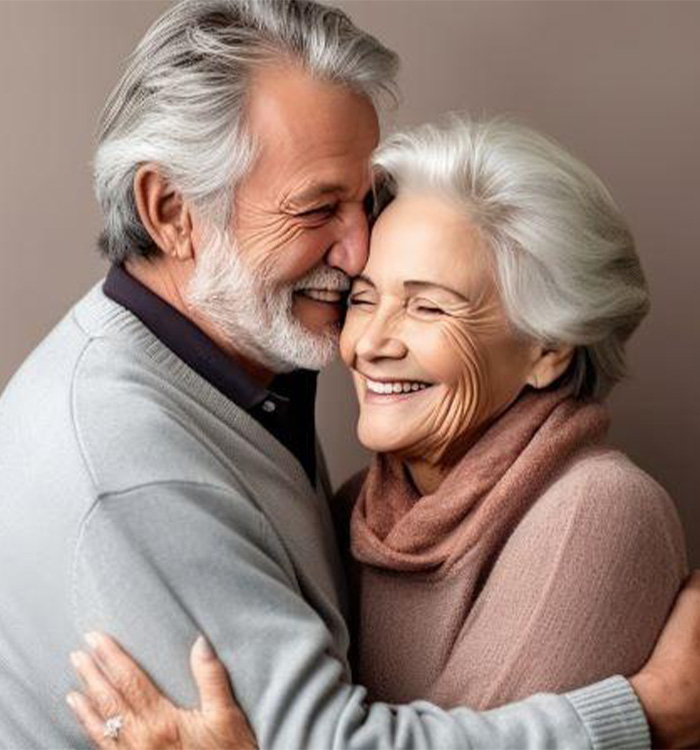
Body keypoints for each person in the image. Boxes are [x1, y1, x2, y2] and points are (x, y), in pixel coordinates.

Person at [0, 1, 698, 748]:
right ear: (171, 210)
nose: (359, 246)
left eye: (363, 202)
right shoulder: (135, 468)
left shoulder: (244, 377)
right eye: (317, 209)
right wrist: (646, 715)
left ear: (548, 347)